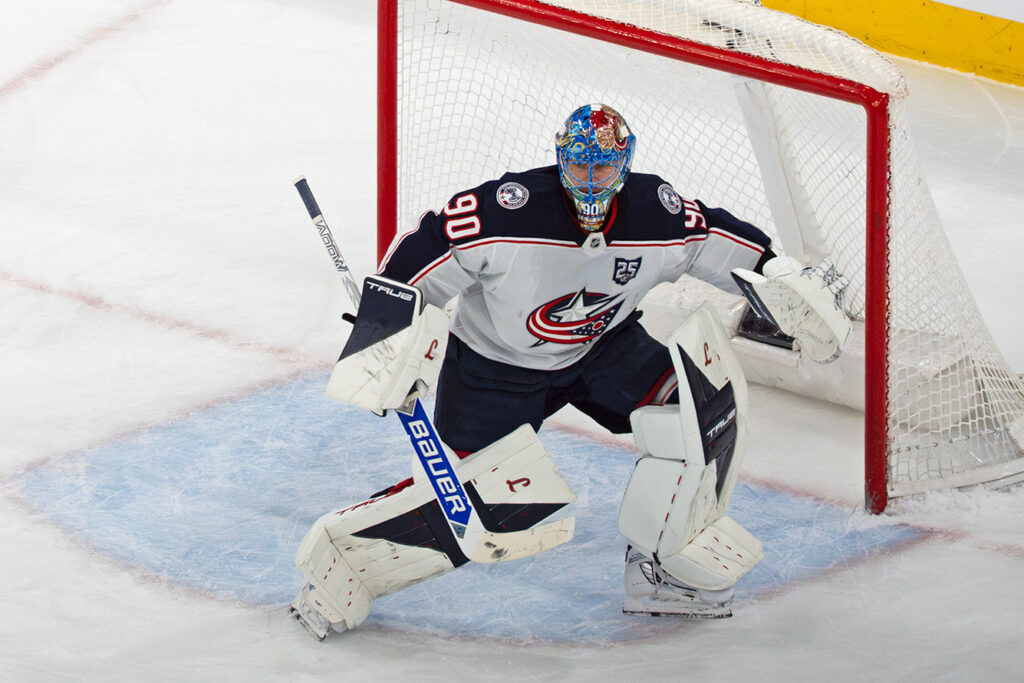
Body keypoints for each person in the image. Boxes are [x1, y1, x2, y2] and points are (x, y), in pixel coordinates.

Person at [290, 104, 851, 638]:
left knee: (701, 410)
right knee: (476, 509)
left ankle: (665, 569)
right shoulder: (506, 211)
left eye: (602, 164)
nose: (588, 177)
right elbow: (428, 247)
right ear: (560, 157)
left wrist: (777, 272)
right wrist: (389, 321)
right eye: (577, 162)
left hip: (602, 351)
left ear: (624, 165)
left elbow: (720, 239)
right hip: (492, 370)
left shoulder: (657, 213)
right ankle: (338, 569)